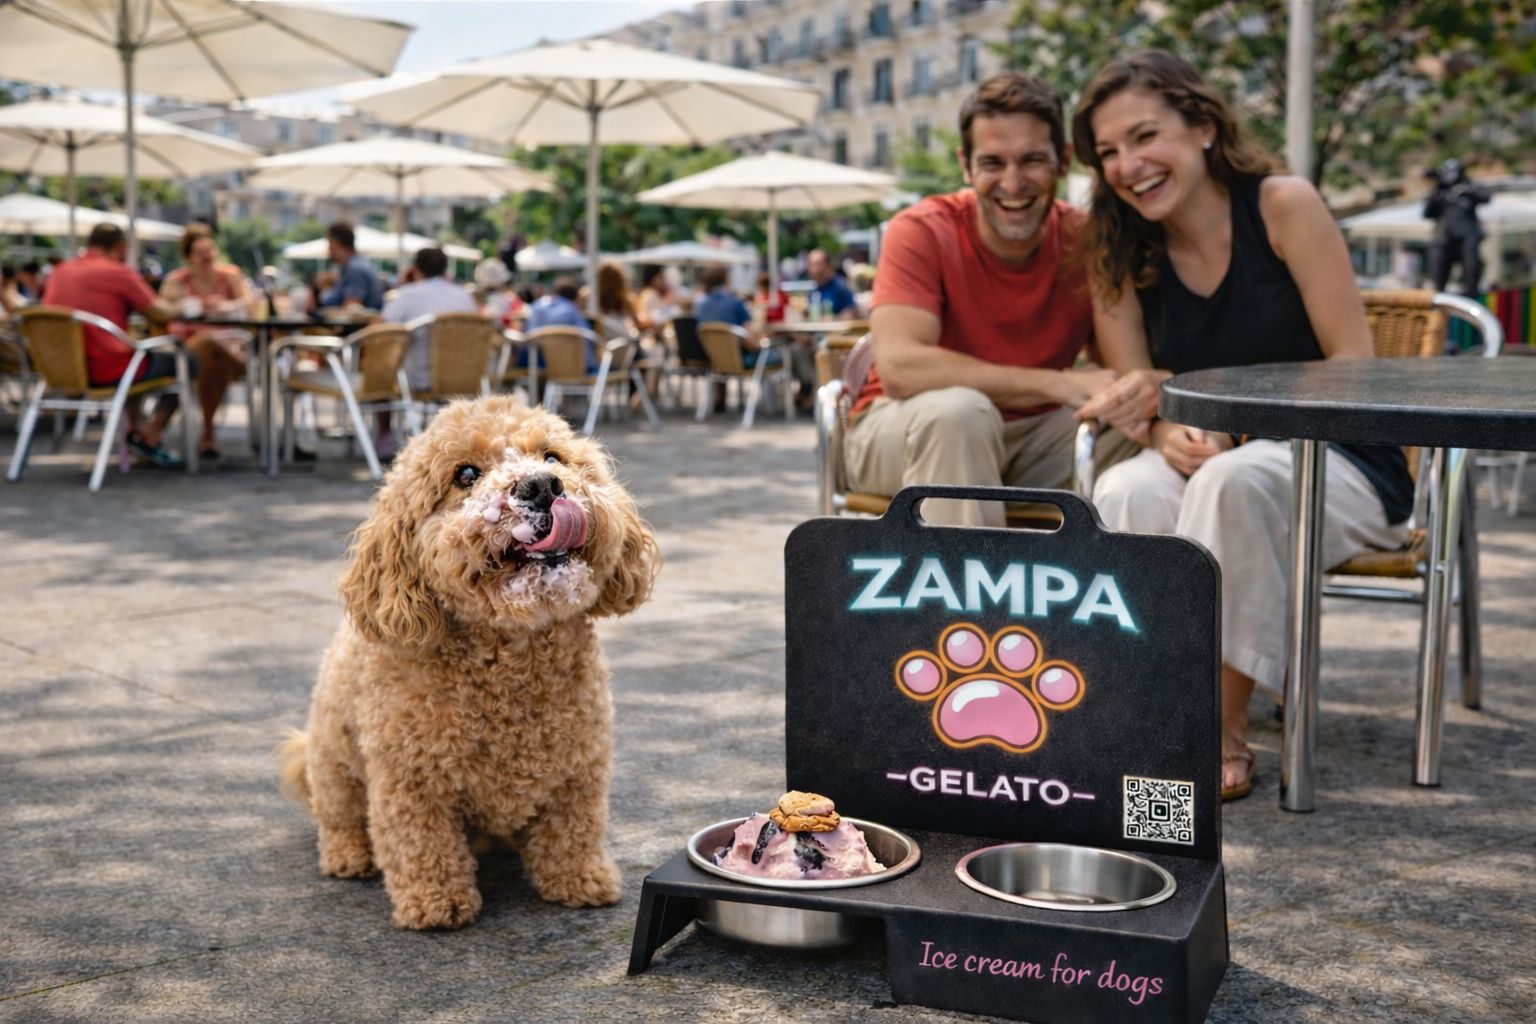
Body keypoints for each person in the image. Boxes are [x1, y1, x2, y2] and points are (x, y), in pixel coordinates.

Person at [1071, 51, 1415, 801]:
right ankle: (1147, 717)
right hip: (1205, 455)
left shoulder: (1284, 205)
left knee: (1236, 478)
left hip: (1339, 458)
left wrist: (1236, 430)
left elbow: (1353, 366)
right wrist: (1165, 434)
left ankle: (1221, 728)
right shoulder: (1117, 243)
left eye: (1144, 135)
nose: (1128, 165)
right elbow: (1144, 397)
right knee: (1127, 489)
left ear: (1201, 125)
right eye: (1108, 152)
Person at [844, 72, 1129, 527]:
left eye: (1032, 160)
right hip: (908, 427)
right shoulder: (920, 229)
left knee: (1140, 428)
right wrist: (1057, 383)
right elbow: (899, 369)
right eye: (993, 162)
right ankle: (961, 601)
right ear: (966, 165)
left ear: (1063, 162)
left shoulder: (1087, 239)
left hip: (1035, 436)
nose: (1013, 183)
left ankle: (1132, 595)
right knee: (961, 415)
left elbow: (1123, 374)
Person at [41, 223, 195, 468]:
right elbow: (158, 313)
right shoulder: (118, 272)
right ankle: (150, 437)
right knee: (185, 362)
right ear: (122, 247)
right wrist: (185, 306)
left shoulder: (60, 270)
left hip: (59, 369)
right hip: (107, 369)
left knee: (135, 355)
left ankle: (134, 429)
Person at [158, 223, 251, 460]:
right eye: (200, 252)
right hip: (195, 352)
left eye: (210, 249)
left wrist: (227, 307)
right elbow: (162, 310)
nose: (207, 256)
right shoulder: (176, 281)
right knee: (208, 357)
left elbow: (251, 304)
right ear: (189, 256)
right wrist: (183, 304)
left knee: (210, 351)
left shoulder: (229, 275)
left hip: (231, 350)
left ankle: (161, 430)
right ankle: (207, 434)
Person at [377, 246, 478, 457]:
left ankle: (384, 437)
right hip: (466, 380)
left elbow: (380, 330)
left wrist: (403, 286)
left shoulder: (406, 294)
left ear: (415, 270)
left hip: (419, 379)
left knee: (380, 369)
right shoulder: (465, 297)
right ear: (445, 269)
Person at [1422, 158, 1491, 296]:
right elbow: (1427, 213)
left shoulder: (1468, 188)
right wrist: (1437, 191)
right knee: (1438, 280)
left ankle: (1471, 296)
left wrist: (1467, 191)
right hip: (1444, 239)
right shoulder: (1440, 192)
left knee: (1471, 273)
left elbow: (1485, 197)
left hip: (1466, 238)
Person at [317, 222, 384, 313]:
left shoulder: (355, 269)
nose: (328, 249)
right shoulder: (354, 266)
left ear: (335, 243)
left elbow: (352, 310)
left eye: (329, 243)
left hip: (356, 327)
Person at [595, 260, 648, 341]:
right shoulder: (627, 299)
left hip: (598, 343)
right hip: (623, 345)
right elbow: (639, 325)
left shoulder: (590, 298)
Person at [805, 248, 856, 318]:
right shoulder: (813, 290)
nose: (814, 270)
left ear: (828, 265)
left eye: (817, 264)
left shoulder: (841, 287)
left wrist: (834, 319)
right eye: (811, 265)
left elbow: (851, 313)